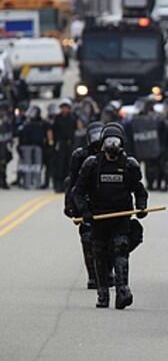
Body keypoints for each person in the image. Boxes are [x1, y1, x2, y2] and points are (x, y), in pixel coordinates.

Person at [73, 124, 148, 310]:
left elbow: (139, 190)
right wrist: (85, 212)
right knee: (99, 253)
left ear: (122, 144)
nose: (112, 146)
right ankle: (103, 294)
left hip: (121, 217)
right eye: (109, 141)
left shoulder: (129, 165)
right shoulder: (92, 164)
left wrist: (141, 207)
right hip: (98, 217)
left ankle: (123, 289)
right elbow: (78, 192)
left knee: (120, 249)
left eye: (116, 142)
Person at [64, 122, 105, 289]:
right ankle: (93, 276)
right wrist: (70, 204)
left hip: (108, 202)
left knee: (110, 240)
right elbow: (71, 182)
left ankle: (108, 271)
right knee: (88, 239)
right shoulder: (80, 156)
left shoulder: (115, 155)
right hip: (86, 202)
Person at [50, 99, 78, 192]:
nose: (65, 110)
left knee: (68, 164)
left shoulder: (73, 118)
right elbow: (52, 131)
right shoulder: (57, 118)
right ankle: (58, 185)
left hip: (69, 144)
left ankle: (68, 185)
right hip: (60, 143)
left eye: (66, 108)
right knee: (59, 165)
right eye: (63, 108)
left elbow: (77, 129)